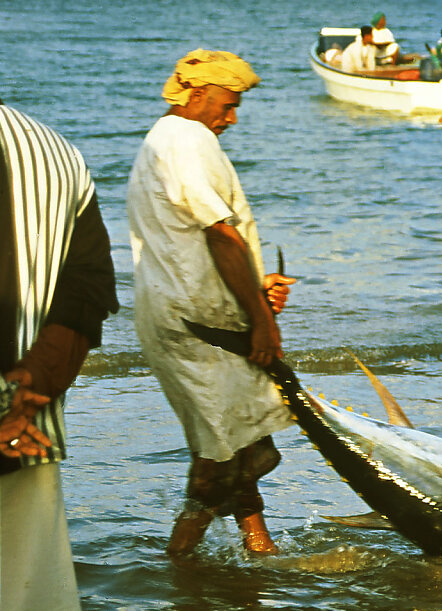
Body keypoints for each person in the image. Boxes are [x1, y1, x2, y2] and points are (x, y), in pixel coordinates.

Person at [127, 50, 297, 559]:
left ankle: (258, 543)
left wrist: (254, 286)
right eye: (227, 105)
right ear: (197, 96)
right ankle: (181, 555)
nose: (232, 118)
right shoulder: (186, 140)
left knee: (233, 436)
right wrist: (263, 321)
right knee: (219, 452)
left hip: (187, 313)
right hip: (196, 326)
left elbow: (192, 245)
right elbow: (221, 237)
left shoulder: (168, 140)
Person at [0, 101, 118, 611]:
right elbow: (89, 291)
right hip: (30, 423)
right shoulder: (57, 153)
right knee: (15, 603)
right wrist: (29, 391)